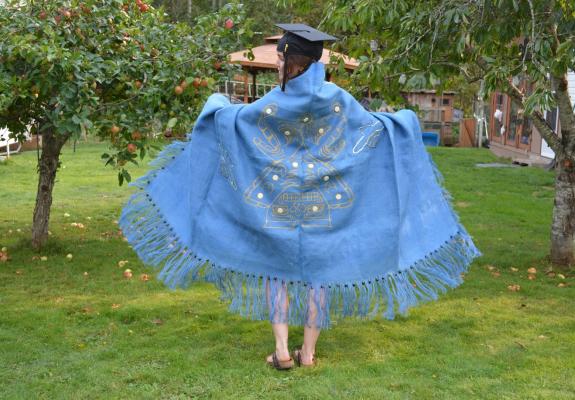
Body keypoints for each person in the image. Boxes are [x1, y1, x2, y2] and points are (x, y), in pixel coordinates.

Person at [119, 23, 482, 371]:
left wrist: (216, 106)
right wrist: (401, 122)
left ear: (293, 61)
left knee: (277, 274)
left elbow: (238, 122)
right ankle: (307, 352)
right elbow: (370, 129)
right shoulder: (338, 98)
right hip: (326, 207)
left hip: (277, 203)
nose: (276, 64)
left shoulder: (274, 101)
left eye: (280, 59)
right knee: (318, 278)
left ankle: (281, 351)